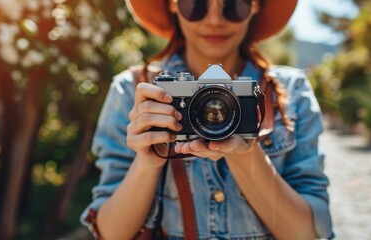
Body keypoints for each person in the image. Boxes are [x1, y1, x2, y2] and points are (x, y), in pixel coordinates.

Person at [80, 0, 334, 239]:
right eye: (196, 4)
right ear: (173, 4)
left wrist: (245, 154)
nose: (214, 20)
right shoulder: (134, 90)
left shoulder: (290, 90)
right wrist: (147, 163)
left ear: (255, 5)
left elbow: (307, 233)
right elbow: (111, 233)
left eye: (234, 5)